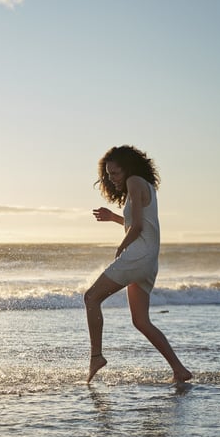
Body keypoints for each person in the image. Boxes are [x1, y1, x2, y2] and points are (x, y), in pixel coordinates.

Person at [84, 145, 192, 384]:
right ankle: (179, 370)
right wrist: (114, 218)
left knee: (91, 298)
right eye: (109, 174)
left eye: (115, 173)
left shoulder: (134, 181)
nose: (112, 179)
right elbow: (140, 222)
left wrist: (120, 248)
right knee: (141, 321)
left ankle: (96, 357)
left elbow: (138, 228)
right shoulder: (147, 186)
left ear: (128, 169)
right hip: (149, 261)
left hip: (138, 256)